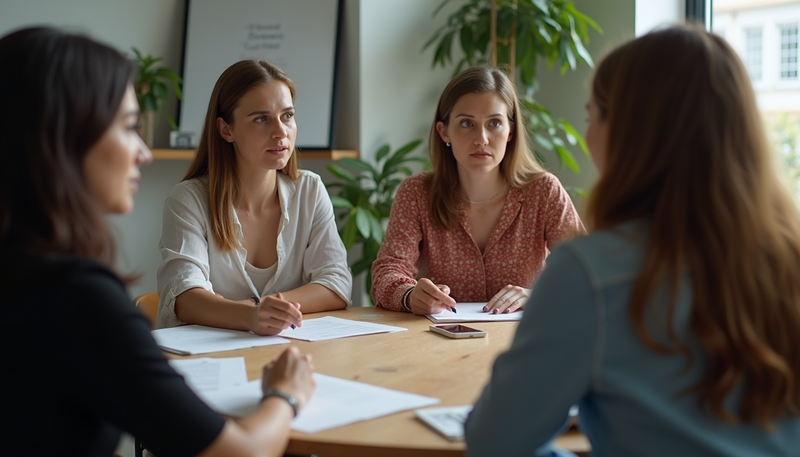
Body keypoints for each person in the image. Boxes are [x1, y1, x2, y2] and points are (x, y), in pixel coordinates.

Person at [465, 24, 800, 457]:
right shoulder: (789, 256)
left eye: (592, 116)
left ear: (627, 131)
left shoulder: (588, 272)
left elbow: (494, 443)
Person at [0, 26, 316, 457]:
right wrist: (286, 394)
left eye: (287, 115)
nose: (143, 153)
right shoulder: (75, 297)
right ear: (64, 137)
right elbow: (244, 453)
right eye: (129, 127)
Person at [156, 60, 352, 334]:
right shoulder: (188, 199)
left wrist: (267, 308)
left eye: (287, 116)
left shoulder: (309, 190)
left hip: (288, 352)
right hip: (208, 359)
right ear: (226, 130)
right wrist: (252, 316)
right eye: (261, 119)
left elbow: (337, 284)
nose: (281, 132)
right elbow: (185, 296)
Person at [371, 66, 585, 315]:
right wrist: (409, 296)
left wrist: (537, 296)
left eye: (494, 123)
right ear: (444, 132)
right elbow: (386, 272)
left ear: (510, 132)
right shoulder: (417, 193)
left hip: (526, 342)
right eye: (466, 123)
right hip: (439, 343)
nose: (481, 138)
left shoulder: (544, 191)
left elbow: (587, 272)